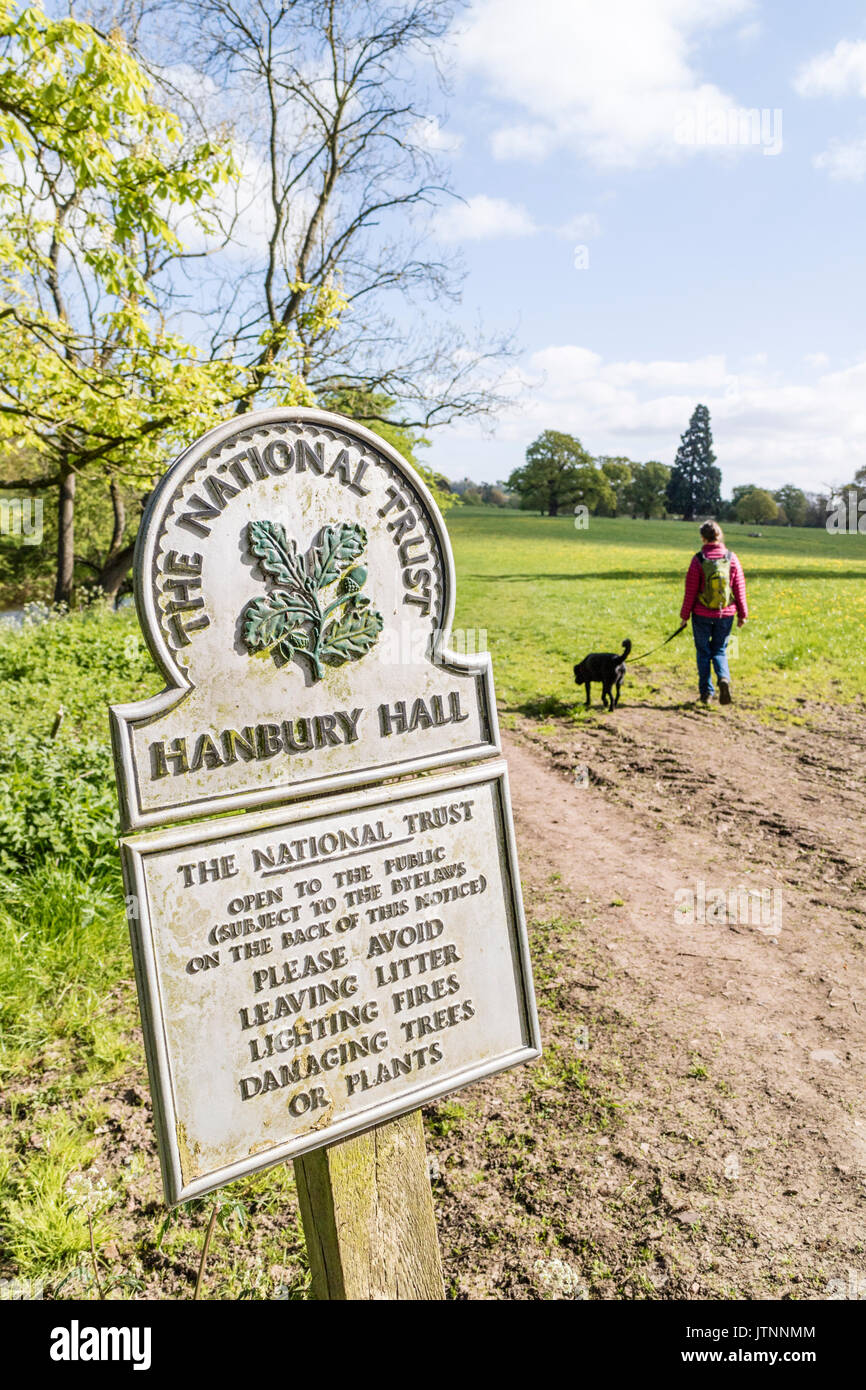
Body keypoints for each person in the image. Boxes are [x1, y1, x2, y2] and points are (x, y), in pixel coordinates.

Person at [680, 520, 748, 705]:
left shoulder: (698, 559)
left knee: (703, 653)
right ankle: (723, 678)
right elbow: (739, 588)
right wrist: (743, 614)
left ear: (702, 537)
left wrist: (684, 617)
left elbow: (691, 591)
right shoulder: (732, 558)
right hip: (725, 614)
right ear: (720, 535)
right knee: (720, 650)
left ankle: (706, 693)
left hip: (701, 614)